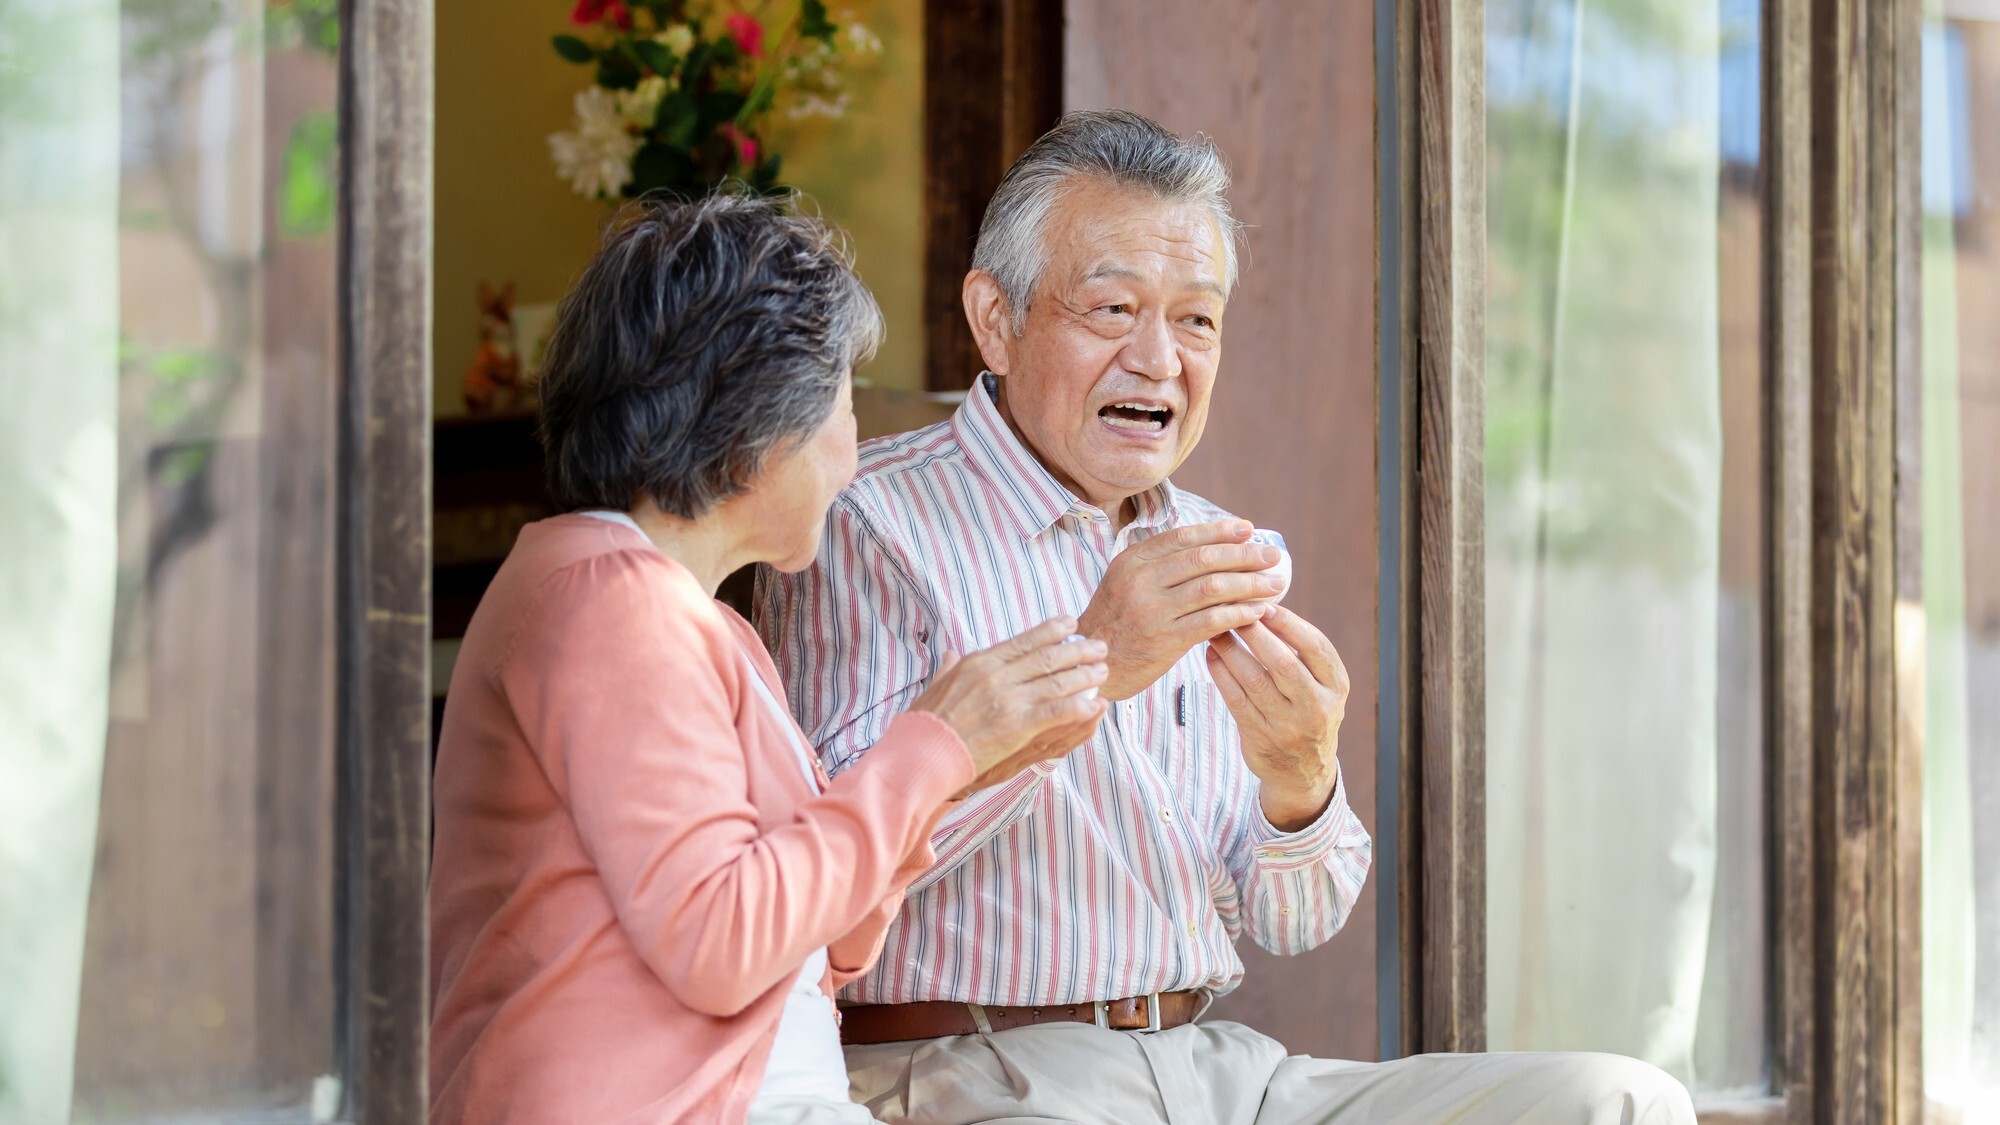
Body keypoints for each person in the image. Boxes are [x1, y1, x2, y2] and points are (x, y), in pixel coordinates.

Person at [755, 111, 1698, 1123]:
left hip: (1221, 1071)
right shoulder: (863, 520)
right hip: (981, 1069)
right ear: (996, 319)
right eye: (1112, 308)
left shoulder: (1219, 546)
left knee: (1616, 1101)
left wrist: (1300, 781)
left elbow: (1296, 917)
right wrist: (1093, 668)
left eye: (1195, 320)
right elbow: (826, 872)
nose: (1159, 359)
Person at [428, 195, 1109, 1125]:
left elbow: (816, 946)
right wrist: (933, 745)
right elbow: (723, 943)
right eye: (842, 406)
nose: (853, 448)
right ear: (754, 427)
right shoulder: (606, 601)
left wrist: (965, 764)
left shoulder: (690, 617)